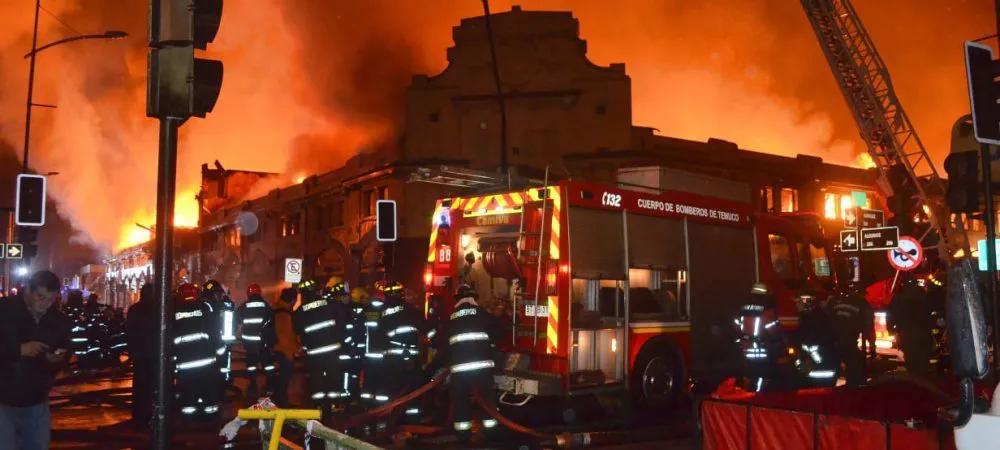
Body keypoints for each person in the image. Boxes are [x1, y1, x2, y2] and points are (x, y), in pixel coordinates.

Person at [0, 270, 72, 450]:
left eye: (51, 299)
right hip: (4, 400)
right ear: (28, 291)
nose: (46, 304)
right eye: (41, 297)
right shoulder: (5, 311)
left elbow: (65, 347)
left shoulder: (56, 320)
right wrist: (18, 350)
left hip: (37, 400)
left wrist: (57, 359)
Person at [433, 284, 500, 442]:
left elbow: (444, 347)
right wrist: (490, 347)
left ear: (458, 299)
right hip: (482, 370)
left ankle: (463, 436)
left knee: (461, 403)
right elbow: (497, 333)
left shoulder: (451, 318)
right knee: (487, 402)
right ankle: (492, 435)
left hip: (459, 372)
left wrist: (436, 368)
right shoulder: (483, 314)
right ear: (474, 298)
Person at [374, 281, 433, 420]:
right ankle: (412, 418)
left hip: (390, 359)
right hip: (410, 357)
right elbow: (428, 329)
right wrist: (436, 342)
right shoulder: (411, 310)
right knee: (413, 389)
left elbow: (377, 337)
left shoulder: (381, 314)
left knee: (391, 389)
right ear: (401, 294)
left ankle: (388, 416)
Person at [292, 279, 345, 419]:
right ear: (316, 291)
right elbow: (342, 321)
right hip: (332, 349)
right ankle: (333, 406)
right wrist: (339, 339)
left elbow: (297, 331)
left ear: (302, 294)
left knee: (316, 380)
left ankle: (318, 407)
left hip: (314, 353)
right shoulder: (330, 303)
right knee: (333, 378)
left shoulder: (300, 311)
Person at [173, 282, 222, 420]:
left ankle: (189, 415)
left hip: (185, 363)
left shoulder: (174, 311)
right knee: (208, 390)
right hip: (206, 361)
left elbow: (170, 335)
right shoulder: (205, 308)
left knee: (188, 391)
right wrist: (219, 350)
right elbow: (214, 330)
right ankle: (210, 414)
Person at [734, 284, 785, 392]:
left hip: (745, 349)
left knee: (747, 375)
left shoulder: (743, 309)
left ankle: (746, 394)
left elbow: (737, 326)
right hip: (760, 350)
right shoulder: (765, 311)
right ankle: (757, 396)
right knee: (763, 376)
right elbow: (773, 331)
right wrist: (780, 346)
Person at [826, 280, 875, 386]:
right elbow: (868, 329)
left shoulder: (834, 301)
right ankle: (853, 389)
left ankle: (827, 387)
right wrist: (872, 347)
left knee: (830, 368)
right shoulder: (863, 305)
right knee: (855, 368)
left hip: (830, 342)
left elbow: (825, 318)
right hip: (847, 342)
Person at [124, 284, 156, 429]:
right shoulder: (158, 310)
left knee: (139, 387)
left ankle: (139, 417)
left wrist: (132, 352)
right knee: (154, 387)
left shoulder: (134, 310)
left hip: (139, 355)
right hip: (153, 355)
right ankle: (152, 416)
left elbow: (128, 331)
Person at [890, 275, 934, 378]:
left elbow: (892, 314)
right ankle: (920, 378)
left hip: (907, 333)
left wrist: (891, 328)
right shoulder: (924, 296)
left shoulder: (898, 298)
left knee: (911, 359)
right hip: (921, 334)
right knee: (921, 360)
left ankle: (915, 378)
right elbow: (931, 312)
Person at [238, 283, 274, 399]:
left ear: (248, 294)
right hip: (263, 340)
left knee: (251, 365)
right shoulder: (265, 305)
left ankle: (252, 386)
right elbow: (272, 319)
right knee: (267, 364)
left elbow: (237, 319)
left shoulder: (244, 306)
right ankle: (269, 386)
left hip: (249, 342)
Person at [794, 293, 838, 387]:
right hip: (819, 369)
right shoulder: (816, 316)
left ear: (807, 303)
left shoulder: (813, 318)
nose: (797, 305)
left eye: (799, 302)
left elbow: (806, 338)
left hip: (819, 374)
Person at [270, 287, 299, 407]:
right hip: (282, 350)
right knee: (284, 377)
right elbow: (283, 335)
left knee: (282, 376)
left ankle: (278, 399)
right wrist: (289, 354)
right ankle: (281, 401)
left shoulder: (278, 309)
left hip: (278, 349)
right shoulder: (283, 313)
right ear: (292, 300)